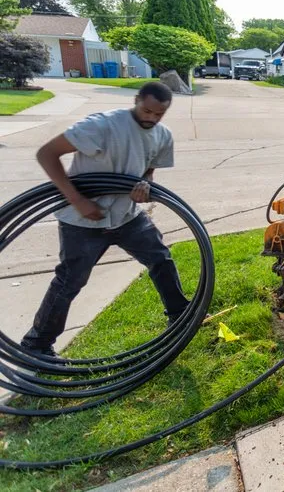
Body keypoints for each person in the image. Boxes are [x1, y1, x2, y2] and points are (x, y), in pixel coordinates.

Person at [20, 82, 189, 357]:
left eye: (159, 114)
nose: (151, 118)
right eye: (146, 111)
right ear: (136, 100)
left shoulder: (162, 135)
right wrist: (77, 200)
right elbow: (46, 153)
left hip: (126, 216)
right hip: (82, 220)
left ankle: (181, 315)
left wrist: (145, 184)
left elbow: (148, 169)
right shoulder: (102, 126)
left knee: (160, 258)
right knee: (70, 281)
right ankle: (36, 344)